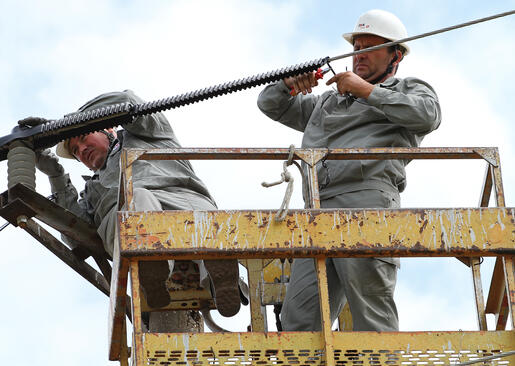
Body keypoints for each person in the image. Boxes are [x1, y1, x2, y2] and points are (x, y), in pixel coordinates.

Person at [257, 9, 441, 331]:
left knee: (370, 314)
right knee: (298, 321)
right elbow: (271, 104)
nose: (359, 56)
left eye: (369, 49)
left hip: (367, 205)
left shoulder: (405, 90)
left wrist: (366, 91)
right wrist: (288, 84)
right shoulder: (328, 102)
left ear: (394, 56)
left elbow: (428, 115)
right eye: (356, 49)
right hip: (316, 211)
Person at [27, 90, 241, 328]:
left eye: (84, 137)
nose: (82, 150)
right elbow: (74, 237)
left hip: (184, 206)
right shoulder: (92, 193)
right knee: (136, 199)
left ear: (107, 128)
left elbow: (128, 100)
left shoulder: (148, 135)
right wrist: (56, 174)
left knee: (198, 223)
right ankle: (154, 269)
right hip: (134, 226)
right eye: (76, 151)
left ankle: (218, 275)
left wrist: (70, 121)